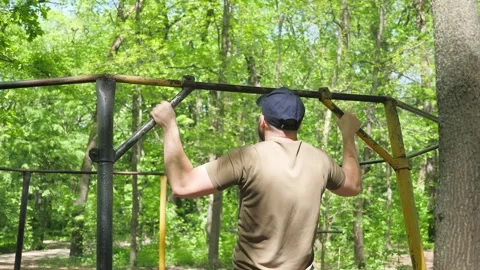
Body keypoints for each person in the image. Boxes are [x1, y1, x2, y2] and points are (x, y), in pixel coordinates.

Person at [151, 87, 362, 270]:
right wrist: (348, 135)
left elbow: (183, 185)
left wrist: (169, 125)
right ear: (297, 124)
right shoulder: (319, 159)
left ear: (263, 122)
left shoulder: (247, 157)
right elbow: (352, 185)